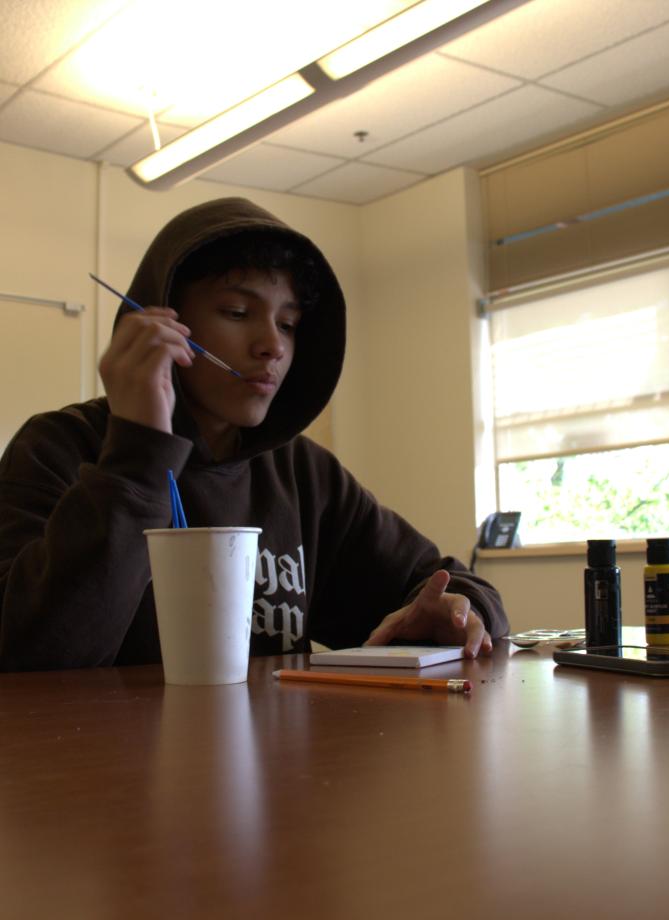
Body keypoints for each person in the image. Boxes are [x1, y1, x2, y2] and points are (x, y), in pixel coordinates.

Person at [0, 197, 508, 671]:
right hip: (93, 764)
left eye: (287, 324)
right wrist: (138, 455)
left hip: (278, 763)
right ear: (162, 316)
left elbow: (442, 581)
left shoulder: (303, 472)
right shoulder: (56, 448)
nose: (272, 346)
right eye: (237, 313)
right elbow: (28, 656)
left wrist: (458, 613)